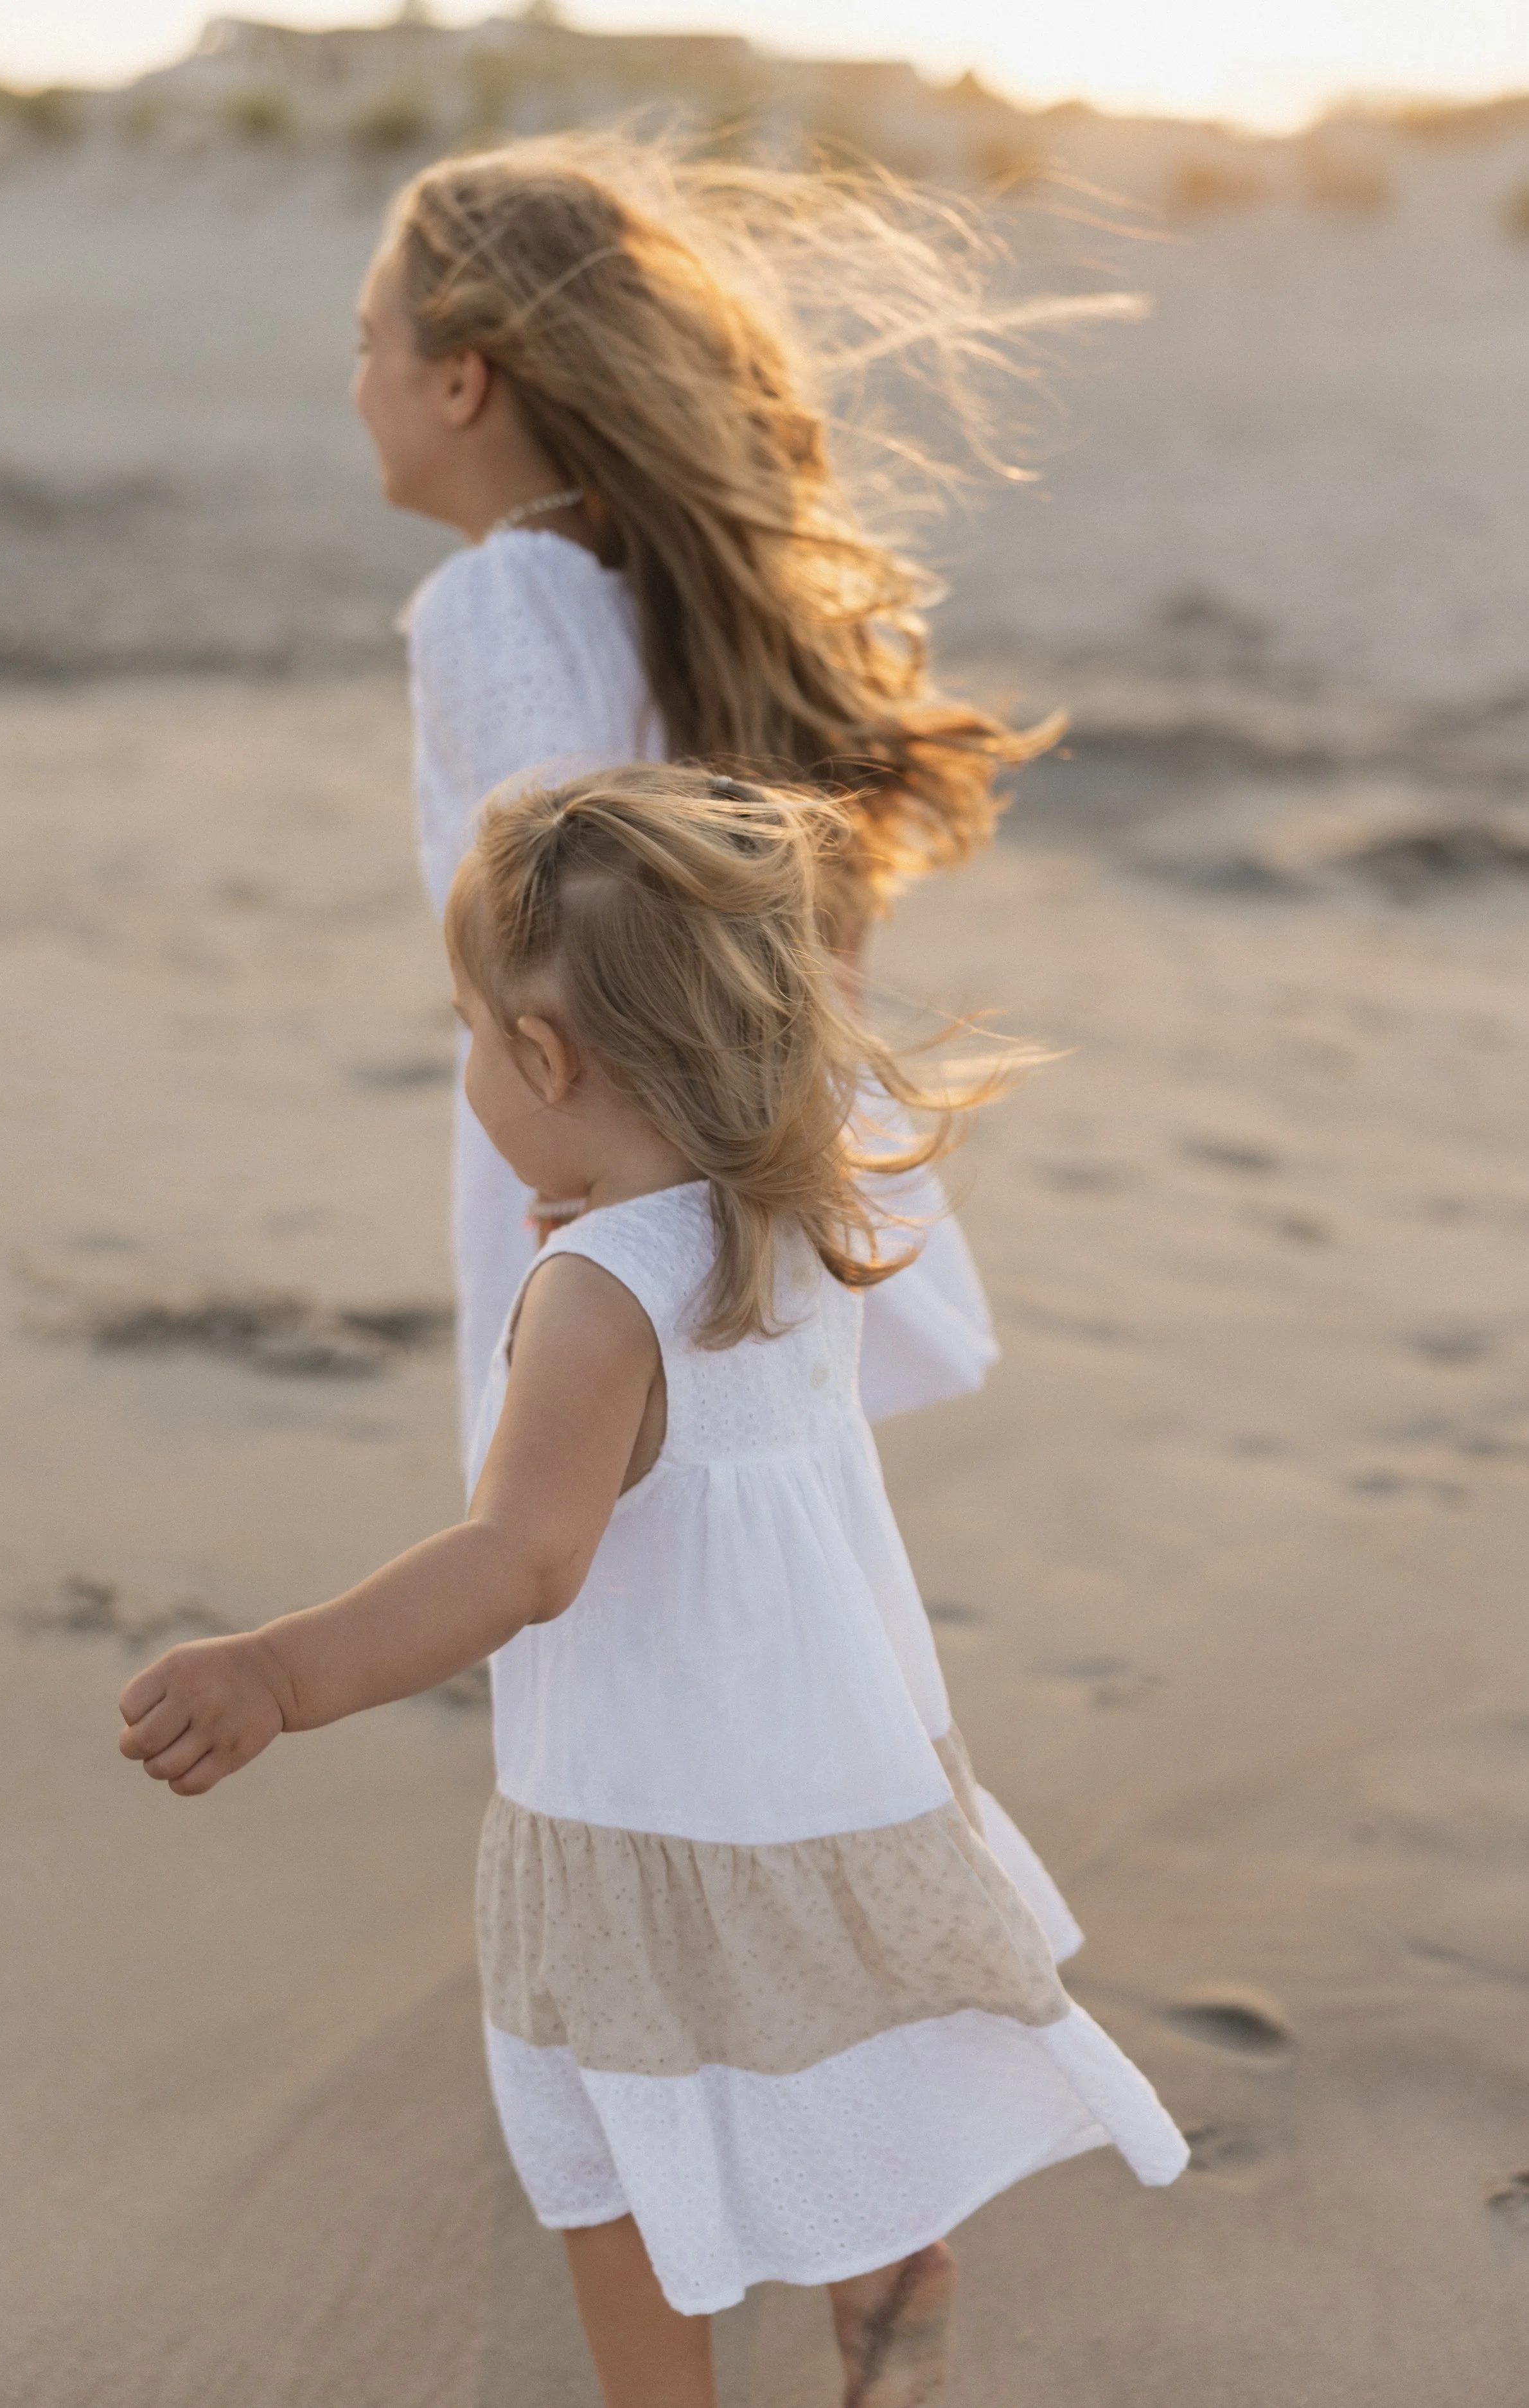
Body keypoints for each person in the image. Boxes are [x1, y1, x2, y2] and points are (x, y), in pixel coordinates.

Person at [118, 766, 1187, 2408]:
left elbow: (523, 1556)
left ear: (546, 1061)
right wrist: (608, 1210)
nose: (472, 1062)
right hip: (833, 1776)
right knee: (830, 2072)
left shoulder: (594, 1289)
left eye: (473, 1031)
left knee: (610, 2155)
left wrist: (279, 1669)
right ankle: (883, 2291)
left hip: (642, 1808)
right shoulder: (791, 1213)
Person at [351, 133, 1067, 1447]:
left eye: (366, 345)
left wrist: (584, 1212)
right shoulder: (671, 601)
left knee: (563, 1529)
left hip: (595, 1171)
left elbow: (567, 902)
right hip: (724, 1170)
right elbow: (818, 935)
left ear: (458, 380)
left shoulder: (494, 598)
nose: (354, 386)